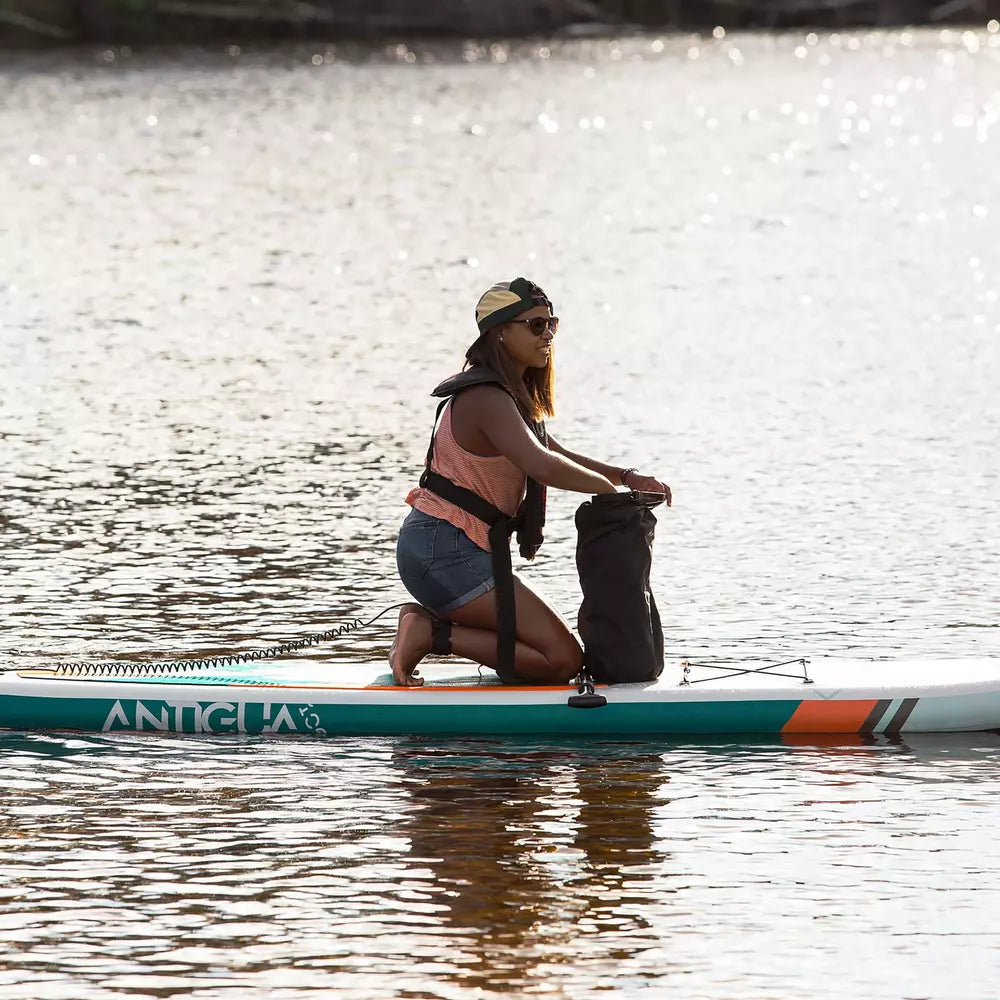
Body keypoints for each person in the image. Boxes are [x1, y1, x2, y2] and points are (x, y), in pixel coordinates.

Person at [390, 278, 670, 687]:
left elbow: (552, 451)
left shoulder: (509, 396)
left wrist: (625, 477)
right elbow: (541, 464)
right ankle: (432, 634)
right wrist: (609, 493)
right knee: (560, 660)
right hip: (443, 550)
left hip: (453, 548)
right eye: (536, 326)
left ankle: (426, 627)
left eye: (552, 325)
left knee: (559, 655)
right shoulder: (485, 396)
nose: (548, 336)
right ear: (500, 331)